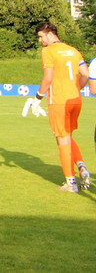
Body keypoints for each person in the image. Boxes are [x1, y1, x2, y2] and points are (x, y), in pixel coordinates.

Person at [34, 22, 90, 192]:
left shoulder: (48, 51)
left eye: (41, 37)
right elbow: (86, 74)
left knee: (62, 139)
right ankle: (81, 165)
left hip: (58, 101)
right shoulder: (73, 51)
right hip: (75, 100)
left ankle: (71, 183)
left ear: (50, 34)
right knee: (67, 135)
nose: (40, 41)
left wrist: (38, 98)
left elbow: (48, 78)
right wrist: (74, 89)